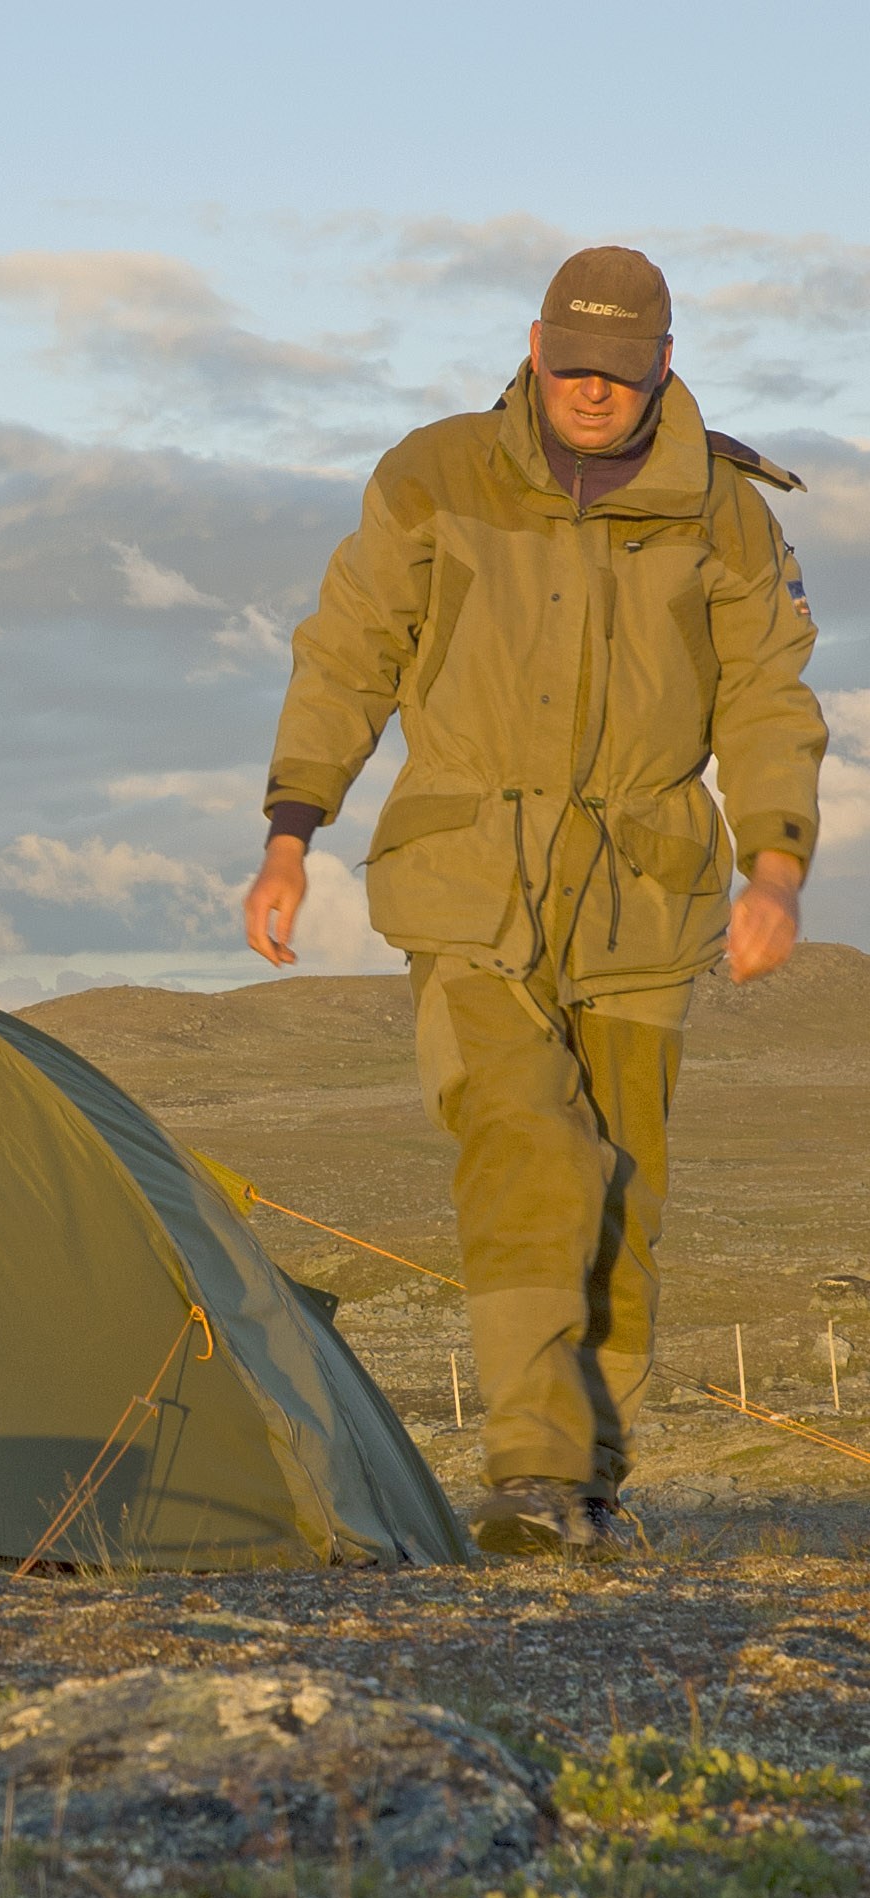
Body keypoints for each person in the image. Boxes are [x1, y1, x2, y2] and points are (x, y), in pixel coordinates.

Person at [242, 246, 827, 1557]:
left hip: (642, 891)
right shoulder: (434, 476)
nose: (591, 391)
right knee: (526, 1144)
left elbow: (768, 700)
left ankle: (587, 1491)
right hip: (467, 882)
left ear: (663, 363)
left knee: (621, 1193)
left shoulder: (727, 514)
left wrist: (776, 866)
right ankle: (531, 1470)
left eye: (618, 370)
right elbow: (348, 656)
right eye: (571, 365)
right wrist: (291, 832)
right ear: (532, 346)